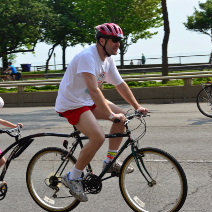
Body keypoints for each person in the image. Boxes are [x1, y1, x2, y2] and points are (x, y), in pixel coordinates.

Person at [55, 23, 148, 202]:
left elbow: (120, 84)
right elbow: (94, 90)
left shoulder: (108, 59)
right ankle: (72, 177)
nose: (118, 44)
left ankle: (110, 161)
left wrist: (137, 106)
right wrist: (110, 115)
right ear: (102, 40)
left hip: (88, 100)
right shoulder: (87, 57)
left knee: (123, 119)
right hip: (72, 103)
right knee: (97, 137)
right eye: (114, 40)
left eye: (119, 41)